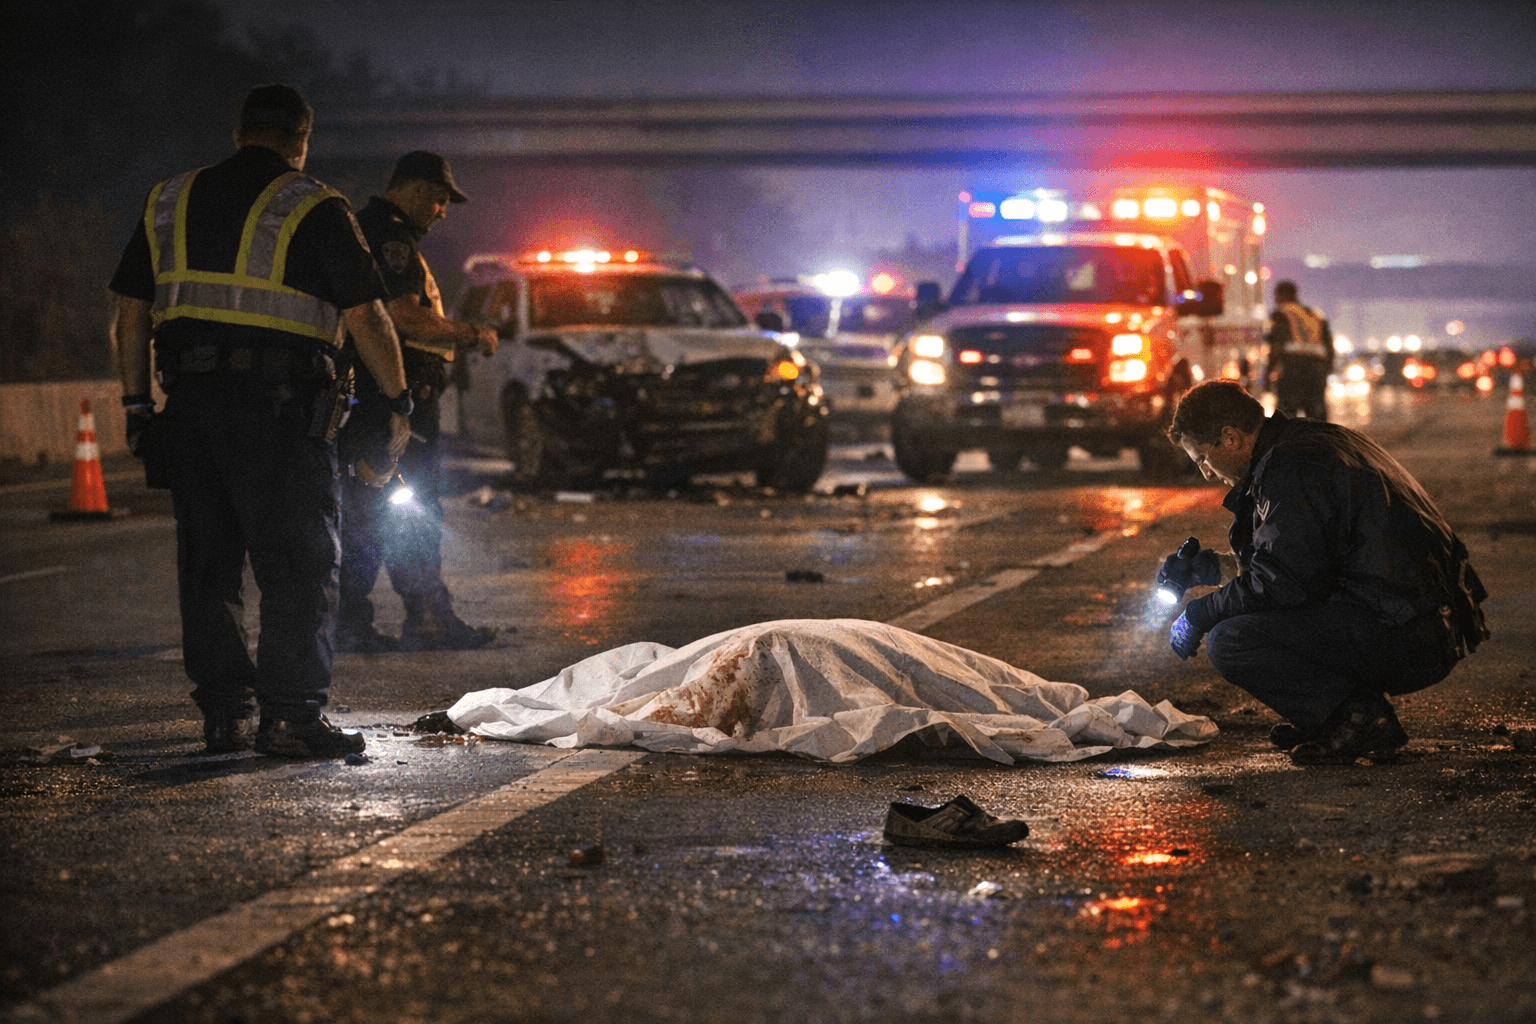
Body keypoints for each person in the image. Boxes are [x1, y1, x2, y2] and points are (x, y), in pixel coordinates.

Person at [110, 84, 412, 758]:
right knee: (298, 566)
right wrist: (396, 403)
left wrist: (137, 406)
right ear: (301, 139)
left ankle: (225, 717)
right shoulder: (315, 205)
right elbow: (367, 315)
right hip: (279, 417)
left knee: (208, 569)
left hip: (188, 409)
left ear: (239, 131)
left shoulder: (169, 198)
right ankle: (292, 719)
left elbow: (130, 312)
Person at [1160, 380, 1489, 765]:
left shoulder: (1291, 467)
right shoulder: (1305, 442)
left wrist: (1201, 612)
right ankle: (1333, 716)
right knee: (1256, 615)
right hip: (1427, 620)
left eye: (1202, 459)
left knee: (1231, 639)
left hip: (1413, 634)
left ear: (1230, 439)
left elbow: (1282, 582)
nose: (1205, 473)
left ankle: (1357, 719)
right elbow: (1302, 560)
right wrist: (1207, 568)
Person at [336, 151, 499, 653]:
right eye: (439, 198)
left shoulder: (370, 229)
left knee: (380, 511)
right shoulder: (391, 238)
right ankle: (402, 619)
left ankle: (401, 617)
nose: (442, 210)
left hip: (383, 399)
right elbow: (403, 318)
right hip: (393, 403)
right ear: (411, 188)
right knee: (401, 511)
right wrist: (472, 333)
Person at [1263, 280, 1334, 421]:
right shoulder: (1316, 314)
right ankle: (1320, 442)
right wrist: (1326, 372)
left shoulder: (1280, 314)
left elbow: (1276, 346)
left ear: (1281, 295)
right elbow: (1329, 347)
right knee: (1317, 416)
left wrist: (1268, 375)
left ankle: (1289, 443)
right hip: (1316, 370)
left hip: (1292, 370)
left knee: (1286, 417)